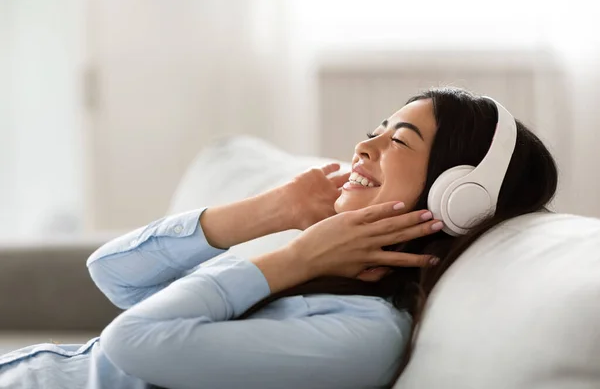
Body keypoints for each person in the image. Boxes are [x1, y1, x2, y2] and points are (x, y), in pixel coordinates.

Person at [0, 87, 558, 389]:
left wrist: (293, 256)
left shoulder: (361, 337)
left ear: (454, 197)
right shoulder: (314, 275)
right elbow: (114, 275)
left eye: (400, 141)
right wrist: (276, 211)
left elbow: (133, 341)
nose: (365, 148)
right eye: (374, 133)